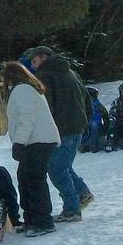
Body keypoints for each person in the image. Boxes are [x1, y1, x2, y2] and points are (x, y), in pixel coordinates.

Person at [30, 46, 94, 222]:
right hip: (76, 127)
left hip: (61, 129)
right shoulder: (71, 73)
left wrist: (41, 129)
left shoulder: (44, 76)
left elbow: (45, 107)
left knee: (55, 168)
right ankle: (82, 193)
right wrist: (83, 122)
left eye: (34, 62)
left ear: (43, 58)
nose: (33, 66)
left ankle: (72, 209)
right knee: (63, 165)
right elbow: (88, 99)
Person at [2, 61, 59, 236]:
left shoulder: (22, 90)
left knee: (34, 180)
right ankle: (31, 219)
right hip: (36, 141)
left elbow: (27, 117)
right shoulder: (28, 88)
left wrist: (19, 142)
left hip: (37, 142)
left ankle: (43, 222)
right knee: (25, 178)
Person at [80, 87, 109, 153]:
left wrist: (105, 127)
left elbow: (105, 115)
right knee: (85, 131)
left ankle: (94, 145)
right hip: (86, 121)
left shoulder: (97, 105)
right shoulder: (83, 104)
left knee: (94, 128)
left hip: (96, 122)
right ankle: (84, 144)